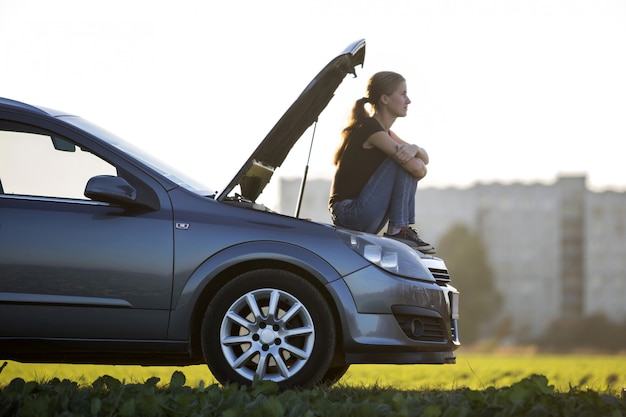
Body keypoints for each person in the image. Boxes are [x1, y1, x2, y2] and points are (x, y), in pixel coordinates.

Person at [328, 71, 435, 254]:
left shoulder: (385, 133)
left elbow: (424, 160)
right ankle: (398, 230)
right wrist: (413, 154)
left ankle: (400, 229)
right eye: (403, 94)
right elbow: (417, 168)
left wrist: (415, 148)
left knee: (405, 159)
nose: (408, 100)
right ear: (385, 99)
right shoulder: (371, 130)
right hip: (349, 213)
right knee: (401, 162)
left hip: (362, 213)